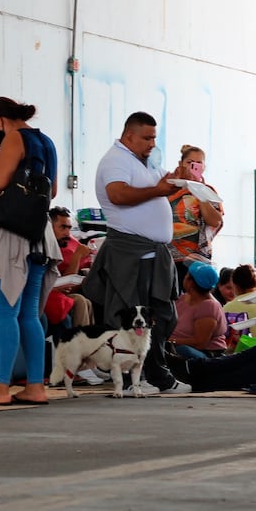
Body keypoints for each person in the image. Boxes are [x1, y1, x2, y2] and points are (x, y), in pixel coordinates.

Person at [81, 110, 191, 394]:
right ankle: (135, 380)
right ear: (129, 136)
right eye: (147, 138)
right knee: (135, 321)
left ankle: (156, 374)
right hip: (133, 253)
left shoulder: (144, 160)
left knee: (163, 316)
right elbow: (118, 194)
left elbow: (158, 188)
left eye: (154, 138)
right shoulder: (115, 160)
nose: (152, 143)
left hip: (154, 254)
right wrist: (157, 190)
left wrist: (175, 180)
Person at [0, 96, 58, 406]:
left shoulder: (14, 138)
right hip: (39, 233)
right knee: (29, 313)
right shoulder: (46, 142)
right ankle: (35, 386)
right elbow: (52, 190)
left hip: (10, 233)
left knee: (4, 309)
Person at [168, 145, 224, 277]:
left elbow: (215, 221)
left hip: (197, 259)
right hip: (168, 256)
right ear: (181, 164)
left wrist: (199, 191)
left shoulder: (208, 191)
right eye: (189, 162)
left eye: (198, 163)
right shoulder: (169, 188)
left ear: (204, 167)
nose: (193, 167)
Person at [168, 262, 228, 360]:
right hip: (175, 345)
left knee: (182, 351)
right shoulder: (183, 298)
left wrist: (169, 341)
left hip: (204, 354)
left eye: (187, 275)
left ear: (190, 283)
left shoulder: (209, 306)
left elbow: (199, 343)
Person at [47, 206, 94, 327]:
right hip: (45, 296)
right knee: (80, 301)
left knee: (88, 300)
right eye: (63, 227)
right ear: (49, 228)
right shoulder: (44, 249)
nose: (67, 233)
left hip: (56, 292)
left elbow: (66, 284)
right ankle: (80, 338)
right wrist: (77, 255)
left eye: (69, 228)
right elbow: (66, 283)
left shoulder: (62, 245)